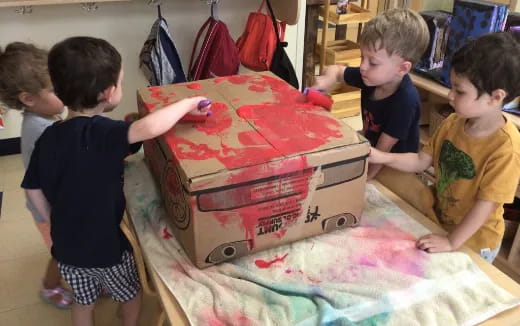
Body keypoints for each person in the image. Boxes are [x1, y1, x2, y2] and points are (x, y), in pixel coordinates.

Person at [21, 36, 210, 326]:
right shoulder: (106, 134)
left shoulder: (48, 136)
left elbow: (32, 188)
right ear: (108, 93)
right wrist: (188, 103)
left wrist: (51, 218)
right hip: (108, 249)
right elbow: (149, 128)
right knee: (131, 295)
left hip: (66, 252)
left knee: (84, 303)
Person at [369, 32, 520, 263]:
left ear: (495, 97)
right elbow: (421, 161)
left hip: (474, 240)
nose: (450, 95)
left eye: (459, 91)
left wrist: (451, 241)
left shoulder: (506, 149)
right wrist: (380, 156)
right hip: (441, 220)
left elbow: (484, 207)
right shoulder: (454, 121)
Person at [313, 8, 430, 179]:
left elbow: (382, 152)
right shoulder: (371, 77)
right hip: (371, 152)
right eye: (362, 57)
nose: (363, 66)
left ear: (402, 68)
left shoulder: (405, 102)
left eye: (373, 62)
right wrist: (327, 80)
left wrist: (363, 180)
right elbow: (336, 70)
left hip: (395, 171)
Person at [0, 42, 72, 309]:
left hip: (55, 203)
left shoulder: (48, 115)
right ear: (28, 99)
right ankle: (49, 286)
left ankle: (84, 278)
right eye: (55, 89)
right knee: (62, 252)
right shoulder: (40, 130)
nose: (65, 91)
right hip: (48, 210)